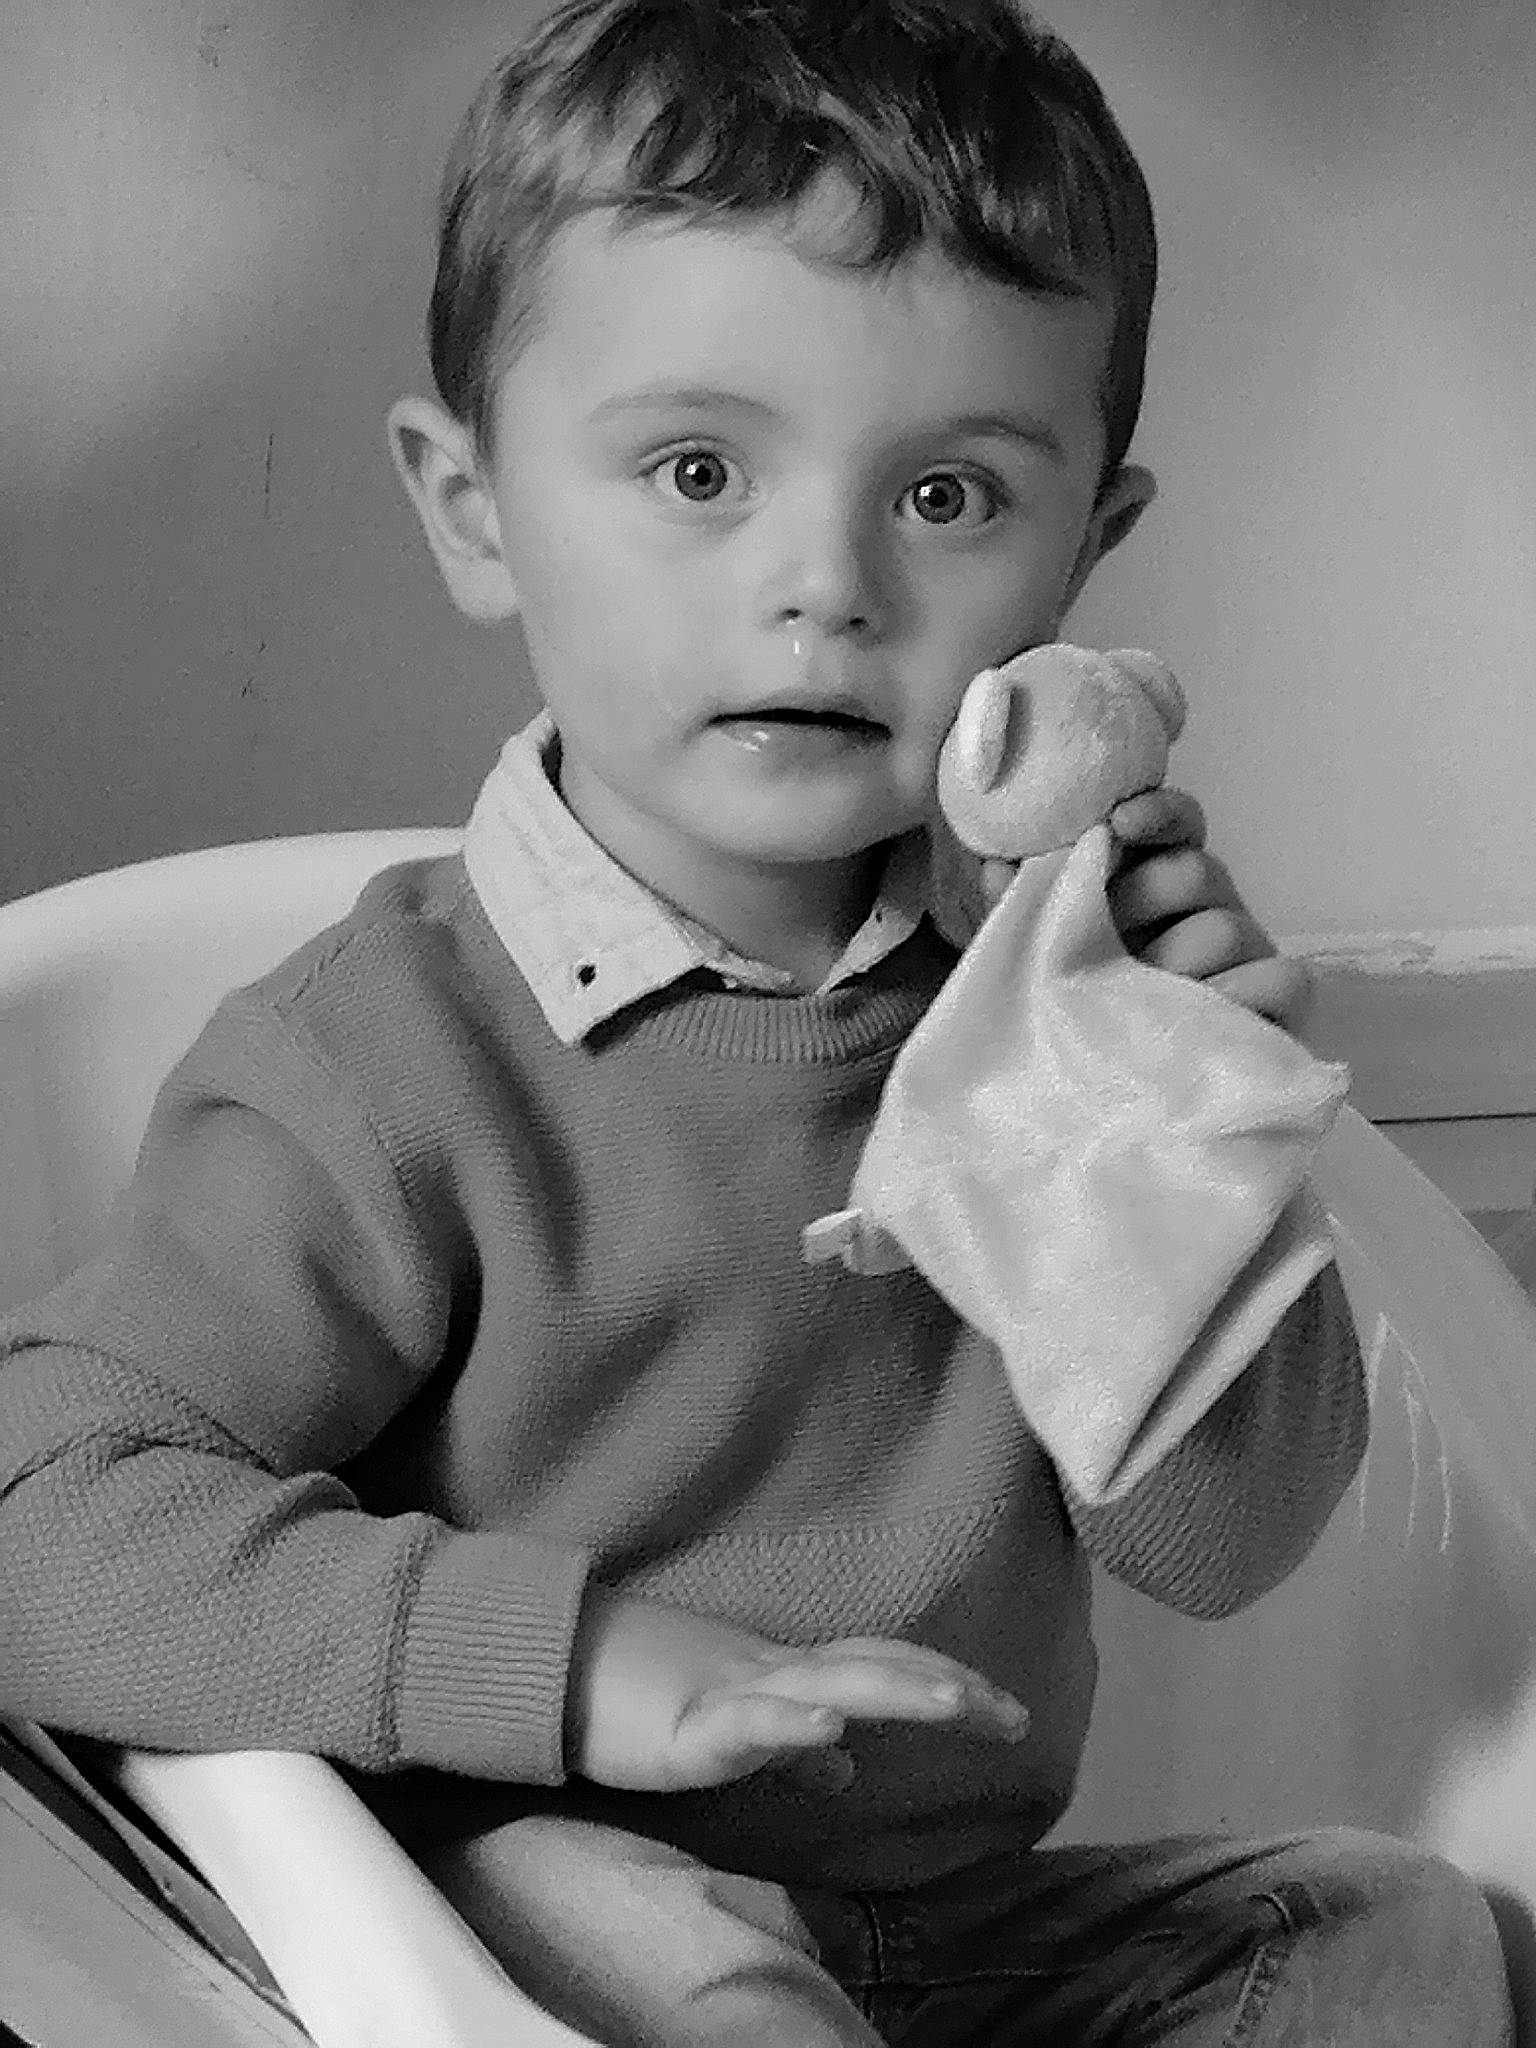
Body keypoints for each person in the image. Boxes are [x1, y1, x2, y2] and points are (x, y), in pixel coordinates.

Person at [0, 1, 1513, 2041]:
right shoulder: (380, 1063)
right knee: (713, 1983)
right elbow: (42, 1521)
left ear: (1086, 554)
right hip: (526, 1883)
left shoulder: (1039, 1024)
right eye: (701, 467)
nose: (827, 582)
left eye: (955, 499)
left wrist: (1182, 1154)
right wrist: (583, 1662)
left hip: (940, 1930)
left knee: (1403, 1932)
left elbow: (1223, 1543)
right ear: (473, 506)